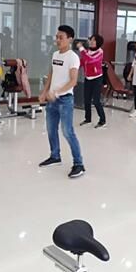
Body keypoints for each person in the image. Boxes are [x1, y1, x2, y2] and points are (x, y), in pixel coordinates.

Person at [38, 25, 85, 178]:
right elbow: (51, 74)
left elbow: (73, 81)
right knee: (51, 129)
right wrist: (45, 91)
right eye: (57, 37)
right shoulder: (55, 54)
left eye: (61, 37)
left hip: (65, 100)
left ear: (70, 39)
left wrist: (56, 93)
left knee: (67, 131)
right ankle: (55, 156)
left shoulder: (73, 57)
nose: (58, 40)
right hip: (52, 100)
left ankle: (79, 164)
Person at [76, 34, 106, 128]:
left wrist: (81, 48)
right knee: (87, 100)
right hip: (88, 78)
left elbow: (90, 60)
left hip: (97, 78)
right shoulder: (88, 51)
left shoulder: (100, 52)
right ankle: (88, 119)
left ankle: (102, 120)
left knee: (96, 101)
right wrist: (74, 67)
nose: (91, 42)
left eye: (93, 40)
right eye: (91, 40)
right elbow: (83, 61)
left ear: (98, 42)